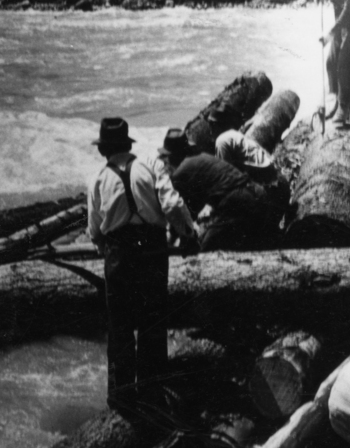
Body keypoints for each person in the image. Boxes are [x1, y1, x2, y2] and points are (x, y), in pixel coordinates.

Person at [88, 117, 198, 414]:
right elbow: (173, 205)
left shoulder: (97, 179)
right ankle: (151, 392)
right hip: (151, 249)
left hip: (119, 255)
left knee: (120, 326)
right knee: (152, 322)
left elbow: (95, 231)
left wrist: (107, 250)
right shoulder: (151, 164)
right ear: (128, 144)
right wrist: (188, 234)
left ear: (104, 150)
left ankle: (122, 399)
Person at [158, 128, 282, 252]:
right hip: (258, 196)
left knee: (205, 249)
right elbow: (194, 206)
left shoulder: (181, 172)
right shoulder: (203, 157)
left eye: (168, 157)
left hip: (238, 204)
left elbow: (181, 212)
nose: (167, 161)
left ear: (174, 155)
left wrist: (172, 240)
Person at [207, 103, 277, 184]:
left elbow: (225, 172)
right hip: (269, 170)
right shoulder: (235, 134)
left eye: (211, 126)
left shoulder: (221, 140)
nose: (210, 131)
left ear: (217, 125)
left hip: (262, 176)